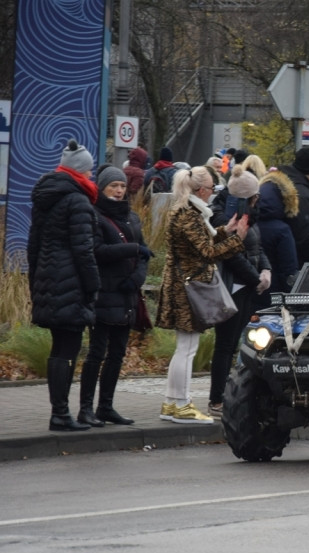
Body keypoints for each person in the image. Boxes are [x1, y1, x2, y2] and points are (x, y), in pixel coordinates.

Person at [156, 167, 247, 424]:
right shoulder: (189, 215)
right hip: (187, 288)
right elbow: (206, 252)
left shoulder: (188, 211)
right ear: (201, 190)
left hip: (183, 285)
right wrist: (236, 239)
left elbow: (201, 243)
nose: (212, 194)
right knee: (187, 349)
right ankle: (182, 404)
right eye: (211, 189)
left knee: (184, 348)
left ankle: (172, 403)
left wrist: (224, 232)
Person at [28, 140, 101, 431]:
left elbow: (33, 244)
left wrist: (36, 280)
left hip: (48, 278)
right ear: (81, 172)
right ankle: (60, 414)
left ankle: (58, 411)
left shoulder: (46, 195)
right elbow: (84, 250)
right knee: (68, 347)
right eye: (91, 171)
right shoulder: (78, 200)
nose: (93, 176)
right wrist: (93, 286)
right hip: (70, 281)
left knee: (59, 347)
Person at [76, 166, 150, 427]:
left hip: (127, 293)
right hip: (105, 293)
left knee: (117, 354)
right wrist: (131, 248)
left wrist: (138, 278)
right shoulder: (95, 216)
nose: (118, 191)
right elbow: (97, 251)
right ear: (102, 188)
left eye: (121, 186)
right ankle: (85, 408)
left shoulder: (132, 217)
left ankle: (105, 406)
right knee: (97, 352)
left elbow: (144, 253)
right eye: (113, 186)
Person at [207, 167, 271, 418]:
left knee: (235, 344)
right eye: (255, 195)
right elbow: (232, 255)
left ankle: (230, 395)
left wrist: (266, 270)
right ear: (248, 197)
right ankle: (217, 399)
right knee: (225, 345)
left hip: (247, 286)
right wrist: (256, 278)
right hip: (233, 286)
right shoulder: (225, 219)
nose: (258, 200)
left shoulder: (247, 216)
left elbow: (257, 247)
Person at [254, 168, 300, 309]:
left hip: (251, 290)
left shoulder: (248, 223)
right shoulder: (282, 229)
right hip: (275, 295)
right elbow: (289, 268)